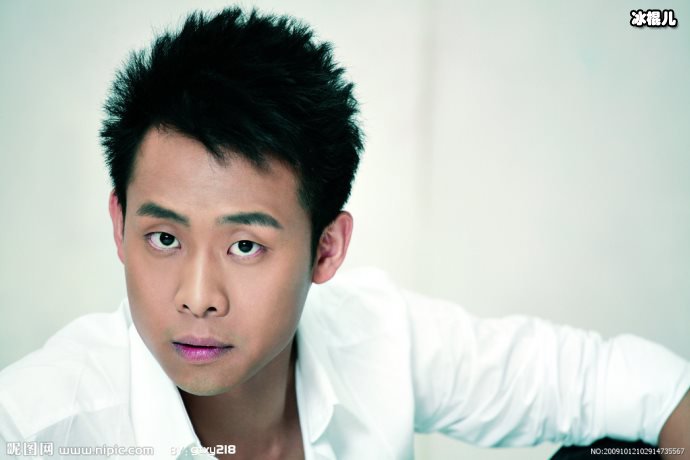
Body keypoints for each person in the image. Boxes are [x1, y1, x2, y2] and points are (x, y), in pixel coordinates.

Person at [0, 7, 688, 460]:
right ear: (119, 225)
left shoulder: (377, 338)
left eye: (245, 246)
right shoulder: (38, 429)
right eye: (164, 239)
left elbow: (630, 387)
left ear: (326, 249)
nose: (198, 295)